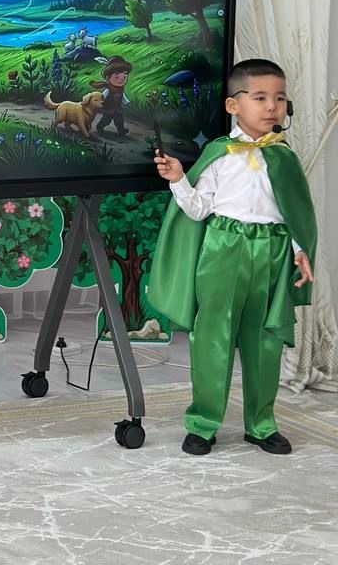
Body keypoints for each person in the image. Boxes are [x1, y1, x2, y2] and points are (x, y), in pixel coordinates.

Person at [148, 59, 316, 457]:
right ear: (233, 105)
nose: (271, 106)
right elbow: (198, 210)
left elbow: (295, 214)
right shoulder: (218, 154)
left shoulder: (285, 158)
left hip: (273, 251)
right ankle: (203, 423)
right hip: (223, 249)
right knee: (213, 335)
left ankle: (261, 424)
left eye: (279, 98)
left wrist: (300, 252)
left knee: (265, 339)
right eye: (259, 97)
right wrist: (179, 180)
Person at [92, 55, 132, 137]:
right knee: (106, 120)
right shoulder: (108, 89)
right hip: (109, 109)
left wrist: (127, 102)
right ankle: (100, 127)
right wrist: (100, 102)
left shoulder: (120, 89)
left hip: (118, 109)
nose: (121, 79)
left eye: (124, 76)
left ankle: (121, 131)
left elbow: (123, 96)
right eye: (117, 77)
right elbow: (103, 96)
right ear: (108, 78)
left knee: (120, 120)